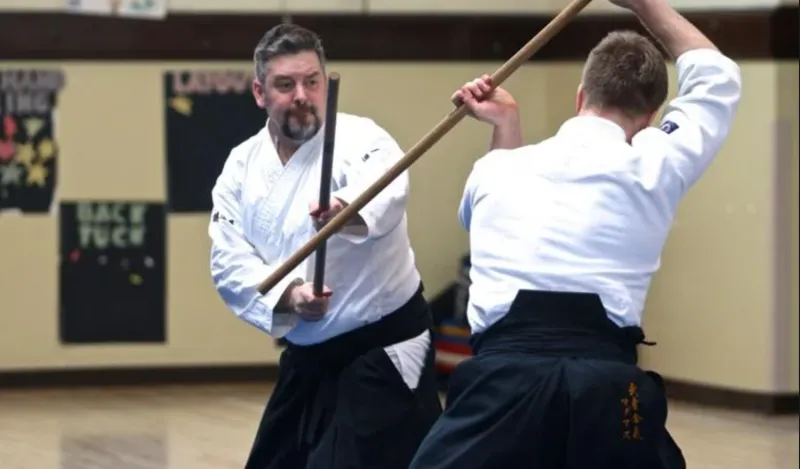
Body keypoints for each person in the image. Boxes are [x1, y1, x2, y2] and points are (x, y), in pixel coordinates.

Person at [408, 0, 742, 467]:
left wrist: (506, 125)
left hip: (500, 389)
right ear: (650, 118)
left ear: (581, 96)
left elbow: (481, 219)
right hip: (608, 394)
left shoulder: (495, 173)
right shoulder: (656, 164)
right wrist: (644, 3)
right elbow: (716, 76)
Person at [207, 23, 442, 469]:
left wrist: (347, 210)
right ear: (259, 92)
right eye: (285, 84)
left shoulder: (363, 140)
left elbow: (388, 191)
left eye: (312, 81)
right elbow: (228, 256)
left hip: (383, 351)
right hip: (310, 352)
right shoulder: (241, 165)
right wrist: (290, 296)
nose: (302, 94)